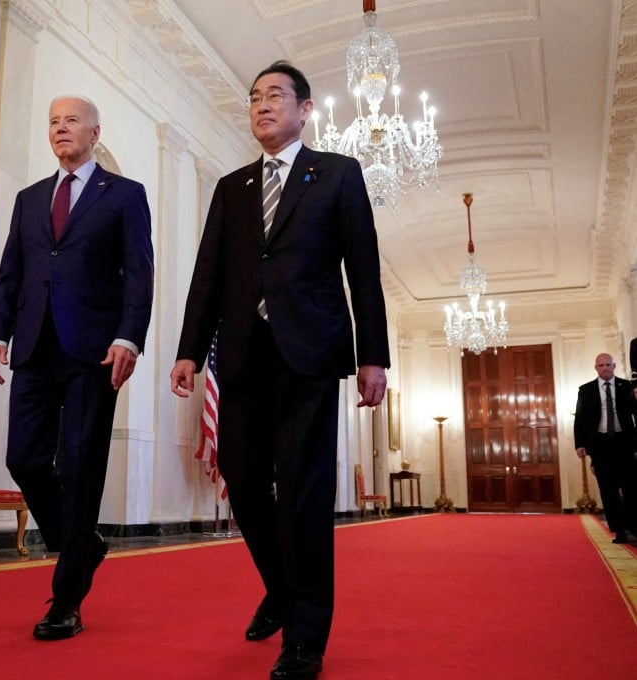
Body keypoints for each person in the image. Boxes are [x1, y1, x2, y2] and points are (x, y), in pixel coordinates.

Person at [170, 61, 389, 680]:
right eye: (255, 98)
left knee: (303, 492)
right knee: (241, 481)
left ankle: (305, 636)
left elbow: (363, 270)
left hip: (311, 354)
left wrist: (373, 354)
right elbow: (208, 275)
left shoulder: (338, 174)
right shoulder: (232, 186)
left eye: (275, 96)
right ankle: (281, 586)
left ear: (305, 109)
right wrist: (189, 348)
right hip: (242, 355)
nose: (262, 105)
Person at [0, 95, 154, 640]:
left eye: (71, 121)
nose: (60, 129)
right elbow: (12, 271)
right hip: (34, 346)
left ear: (94, 132)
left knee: (81, 467)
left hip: (93, 350)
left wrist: (129, 335)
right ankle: (84, 544)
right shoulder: (29, 198)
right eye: (53, 122)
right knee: (24, 459)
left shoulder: (124, 195)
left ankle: (65, 599)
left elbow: (139, 272)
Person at [574, 353, 637, 544]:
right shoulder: (586, 390)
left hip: (624, 442)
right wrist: (580, 444)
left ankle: (633, 527)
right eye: (601, 365)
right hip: (600, 444)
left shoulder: (627, 387)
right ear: (596, 368)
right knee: (608, 490)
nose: (605, 368)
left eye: (608, 364)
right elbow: (580, 418)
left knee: (631, 488)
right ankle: (619, 531)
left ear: (614, 366)